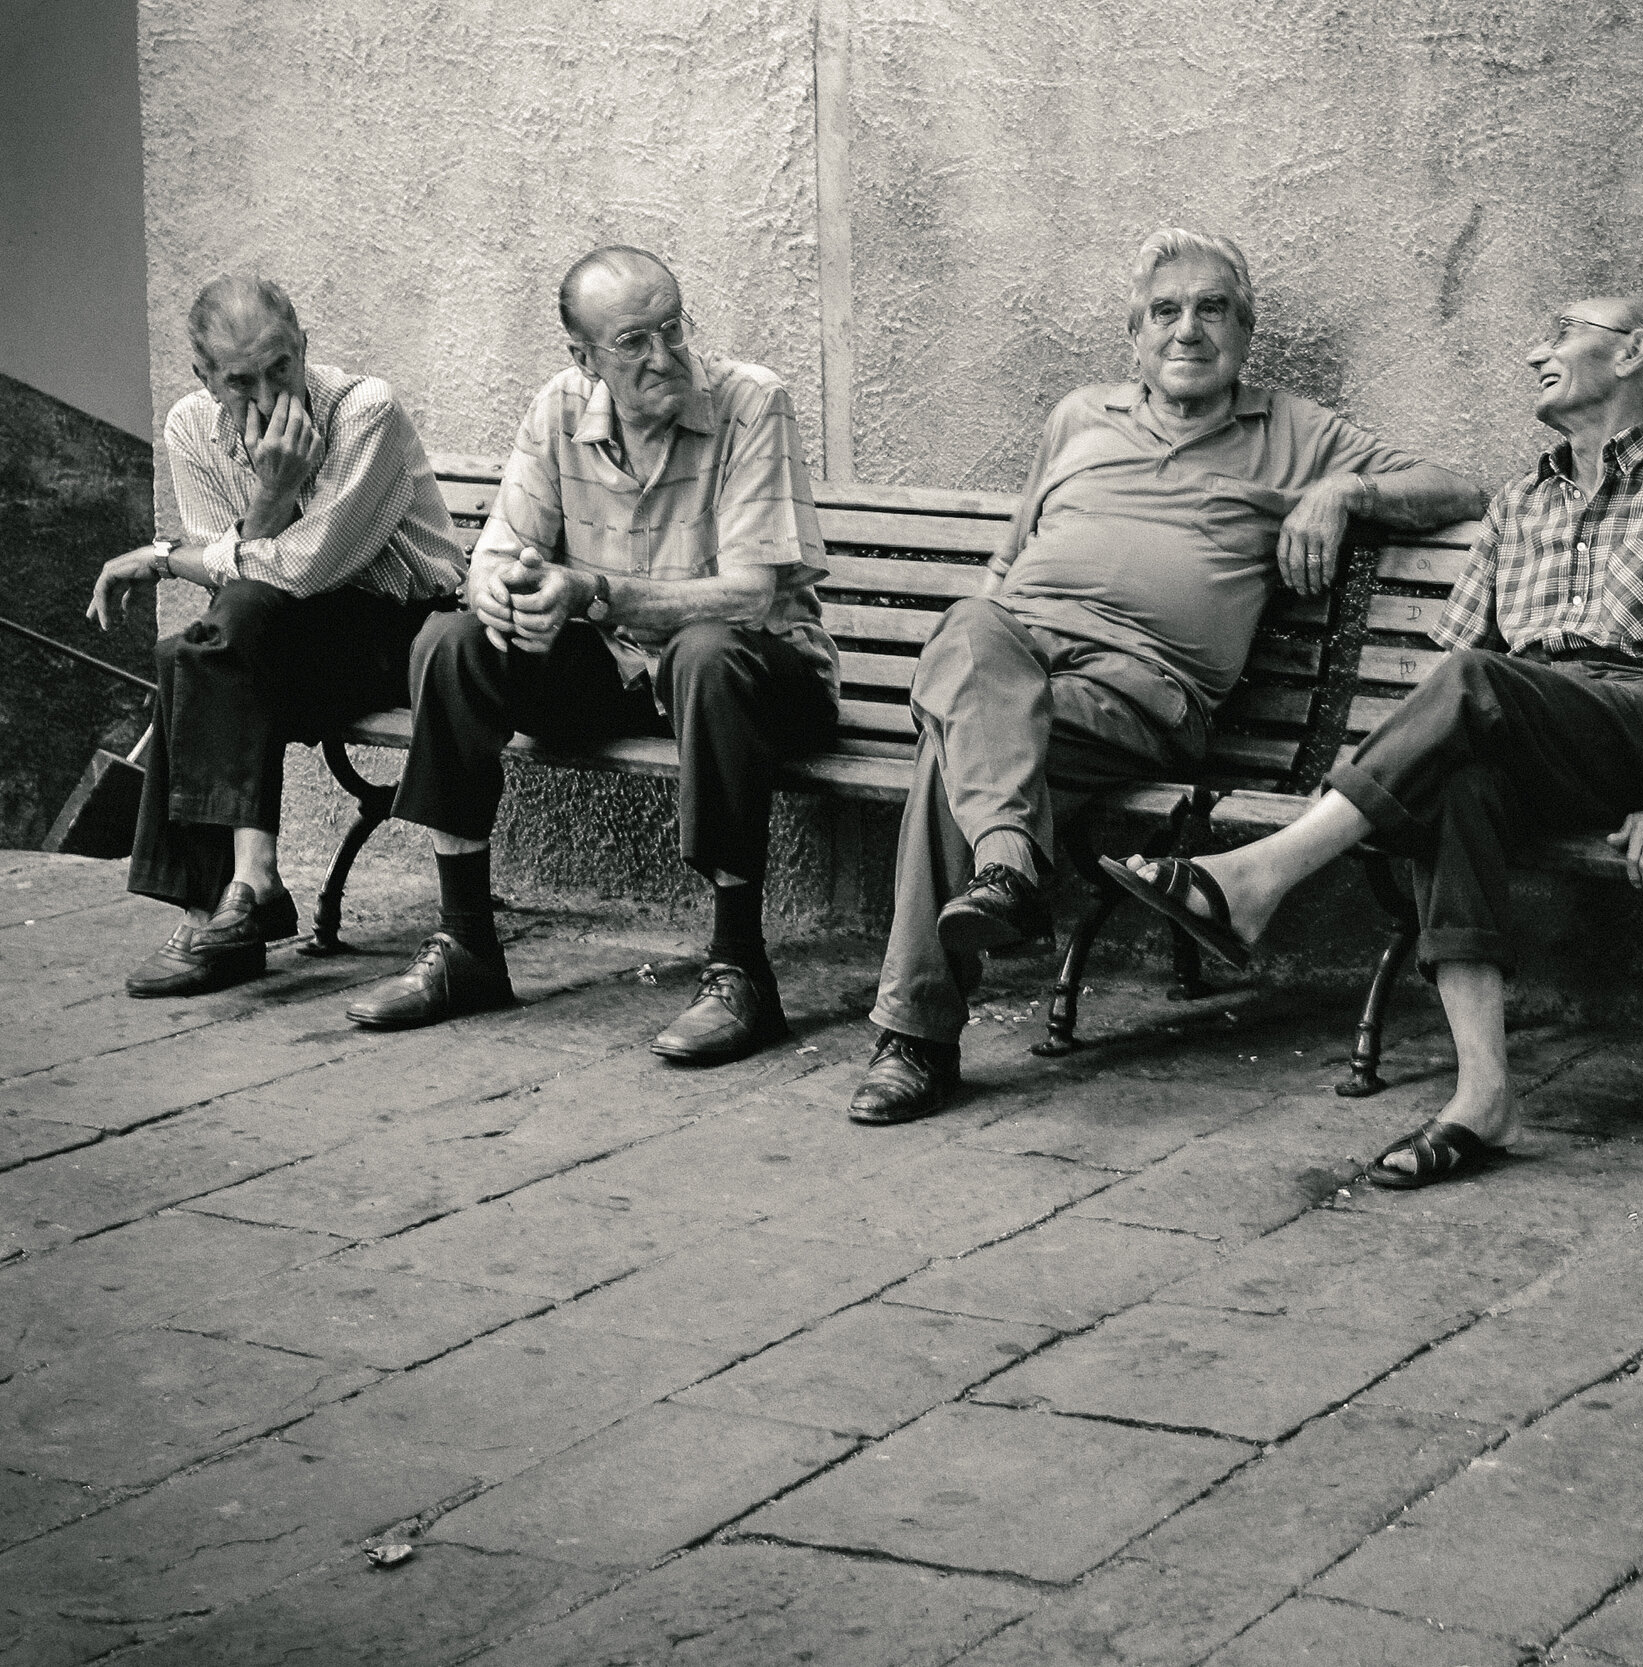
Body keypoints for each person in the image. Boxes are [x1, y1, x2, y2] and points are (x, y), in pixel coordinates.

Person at [1107, 297, 1643, 1188]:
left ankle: (1258, 873)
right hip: (1526, 720)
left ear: (1630, 353)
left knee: (1477, 685)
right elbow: (1459, 665)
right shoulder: (1521, 500)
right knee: (1455, 780)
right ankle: (1485, 1095)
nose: (1534, 349)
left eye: (1562, 331)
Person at [844, 228, 1485, 1125]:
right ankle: (1002, 868)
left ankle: (922, 1026)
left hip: (1140, 694)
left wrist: (1345, 492)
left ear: (1245, 332)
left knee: (957, 742)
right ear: (1133, 335)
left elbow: (1461, 489)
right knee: (969, 636)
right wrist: (978, 653)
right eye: (1165, 311)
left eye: (1212, 309)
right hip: (1013, 658)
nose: (1188, 330)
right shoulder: (1077, 417)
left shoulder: (1293, 431)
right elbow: (1007, 562)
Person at [350, 246, 839, 1062]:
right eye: (635, 340)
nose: (665, 353)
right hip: (620, 672)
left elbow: (752, 594)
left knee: (705, 653)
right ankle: (466, 942)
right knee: (452, 641)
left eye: (674, 326)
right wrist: (510, 595)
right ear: (584, 357)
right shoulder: (558, 408)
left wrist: (592, 593)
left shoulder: (752, 402)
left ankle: (740, 969)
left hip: (760, 677)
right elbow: (495, 559)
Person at [90, 275, 465, 997]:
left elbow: (306, 566)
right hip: (278, 638)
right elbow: (243, 583)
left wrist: (166, 557)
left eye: (280, 367)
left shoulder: (365, 412)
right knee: (201, 646)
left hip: (399, 635)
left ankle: (215, 911)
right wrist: (274, 494)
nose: (266, 396)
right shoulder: (190, 427)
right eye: (239, 380)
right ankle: (247, 887)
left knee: (206, 645)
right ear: (203, 376)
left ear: (304, 347)